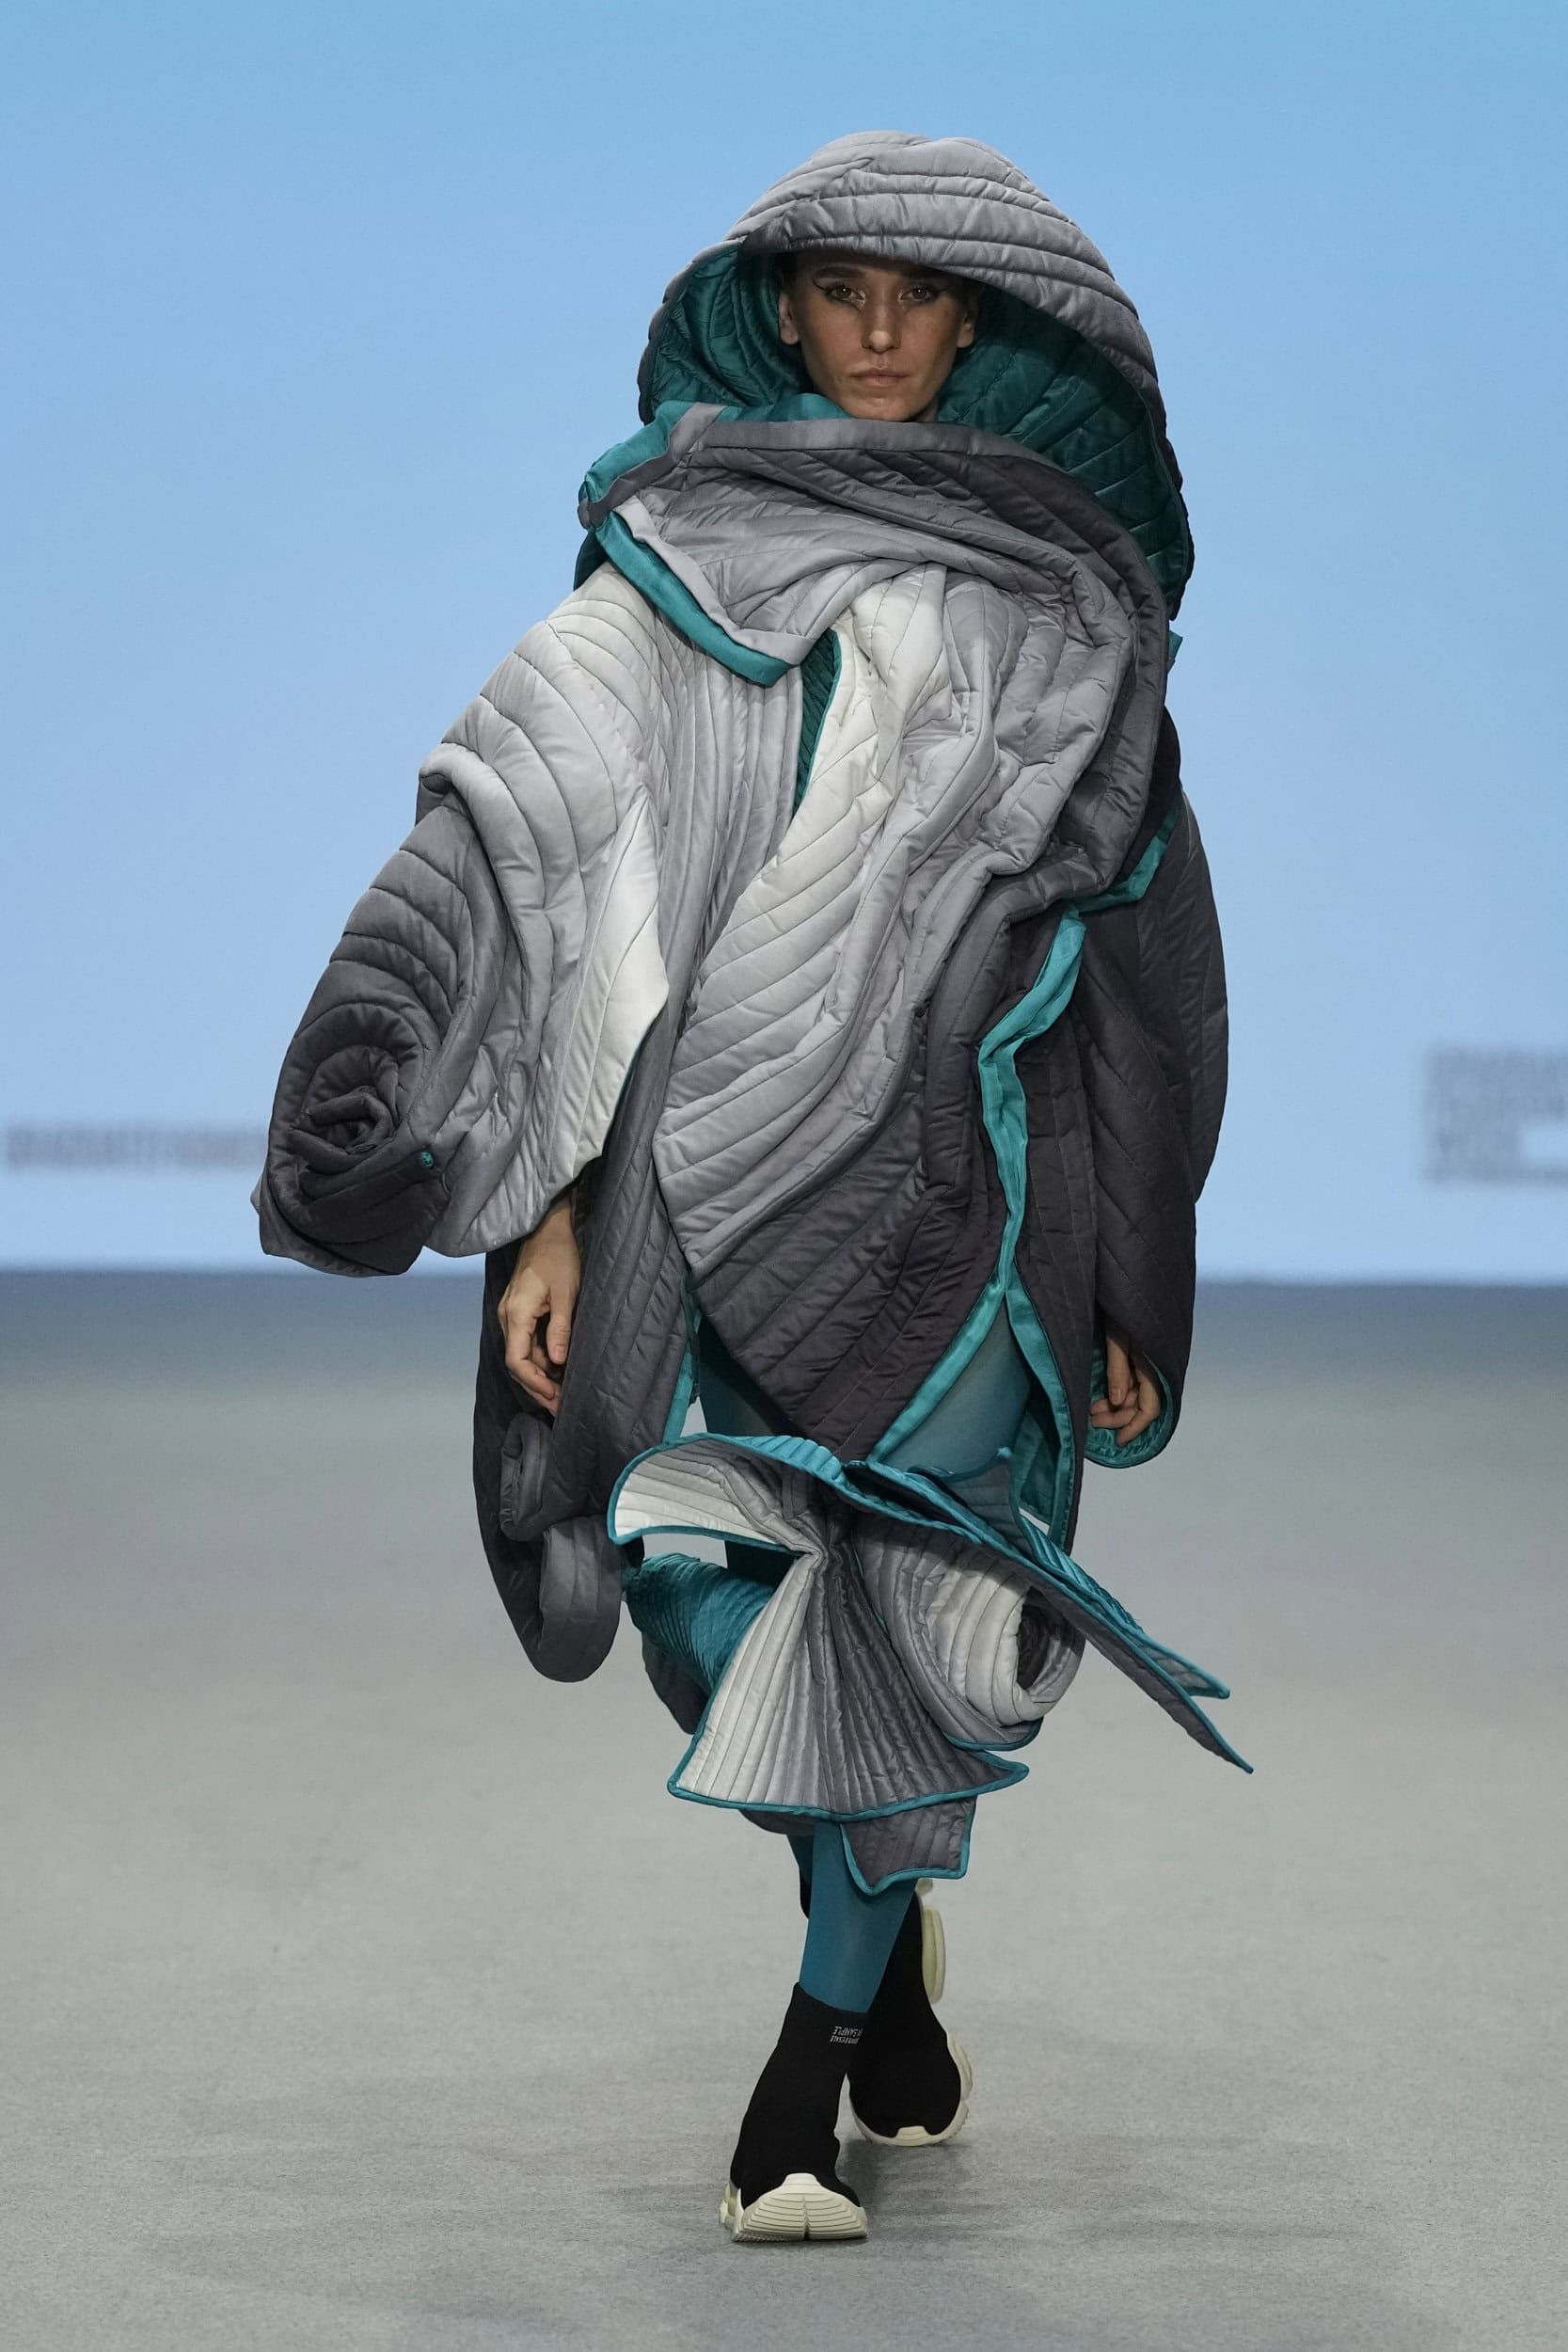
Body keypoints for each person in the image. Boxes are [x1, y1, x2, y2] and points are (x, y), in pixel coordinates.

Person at [259, 132, 1239, 2248]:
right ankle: (884, 1952)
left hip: (983, 1198)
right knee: (718, 1610)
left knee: (913, 1616)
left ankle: (801, 2075)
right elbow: (543, 876)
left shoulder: (1069, 602)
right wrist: (538, 1209)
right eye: (840, 291)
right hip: (698, 1194)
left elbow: (1147, 963)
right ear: (778, 311)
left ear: (978, 321)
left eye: (919, 294)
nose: (880, 331)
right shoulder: (668, 577)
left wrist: (1136, 1272)